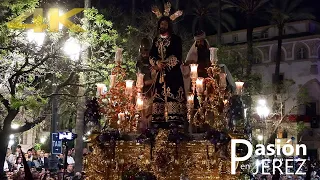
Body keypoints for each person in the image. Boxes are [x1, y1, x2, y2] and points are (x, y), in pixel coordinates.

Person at [149, 15, 186, 129]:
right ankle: (158, 122)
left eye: (165, 24)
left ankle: (174, 121)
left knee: (174, 95)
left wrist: (164, 64)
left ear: (169, 26)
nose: (162, 26)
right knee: (158, 97)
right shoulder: (156, 40)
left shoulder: (175, 39)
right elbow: (151, 55)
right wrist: (156, 63)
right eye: (161, 24)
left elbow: (177, 55)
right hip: (159, 74)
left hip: (172, 74)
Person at [136, 38, 154, 130]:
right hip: (143, 91)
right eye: (143, 51)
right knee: (141, 109)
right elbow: (139, 77)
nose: (145, 53)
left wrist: (150, 81)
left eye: (146, 50)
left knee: (151, 110)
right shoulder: (139, 63)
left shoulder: (153, 63)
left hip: (153, 91)